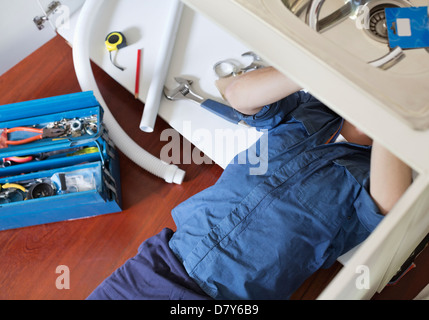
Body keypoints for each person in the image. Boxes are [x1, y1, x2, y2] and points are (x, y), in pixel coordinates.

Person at [87, 67, 412, 300]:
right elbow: (237, 92)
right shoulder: (310, 110)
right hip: (154, 269)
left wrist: (389, 112)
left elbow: (390, 208)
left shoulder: (373, 170)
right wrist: (318, 66)